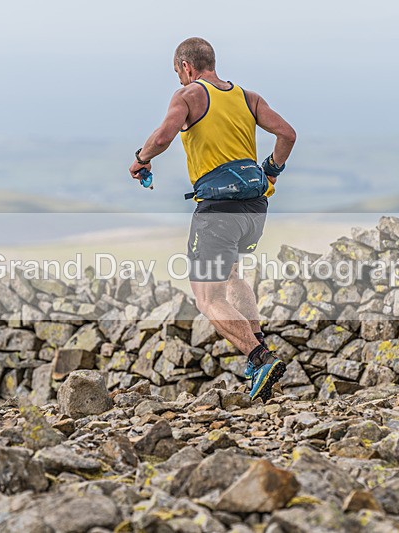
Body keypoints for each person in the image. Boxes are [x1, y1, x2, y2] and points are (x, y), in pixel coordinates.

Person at [129, 37, 296, 402]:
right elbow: (287, 134)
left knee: (207, 297)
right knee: (233, 275)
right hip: (254, 209)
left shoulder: (189, 96)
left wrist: (141, 159)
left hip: (218, 211)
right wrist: (271, 172)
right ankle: (258, 353)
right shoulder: (248, 97)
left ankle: (259, 357)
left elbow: (163, 136)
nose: (179, 80)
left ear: (187, 67)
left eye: (178, 73)